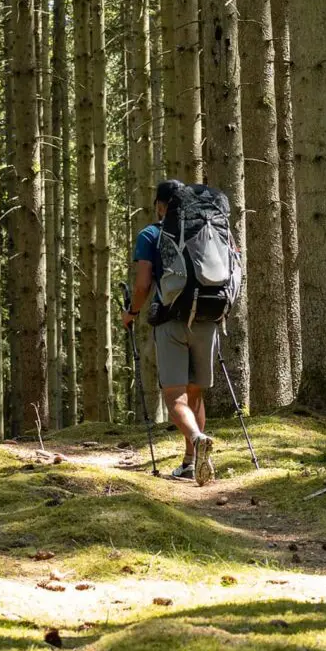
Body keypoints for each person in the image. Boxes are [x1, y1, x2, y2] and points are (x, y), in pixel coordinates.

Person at [121, 180, 218, 484]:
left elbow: (142, 284)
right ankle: (191, 462)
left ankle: (197, 439)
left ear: (161, 206)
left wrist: (132, 312)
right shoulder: (208, 229)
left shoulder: (151, 233)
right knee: (195, 392)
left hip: (172, 319)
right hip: (208, 316)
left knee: (174, 395)